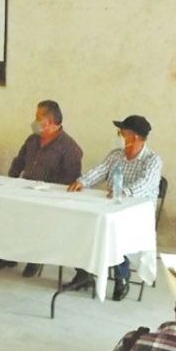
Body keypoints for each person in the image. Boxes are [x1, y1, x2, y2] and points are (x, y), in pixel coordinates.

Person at [66, 115, 162, 300]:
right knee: (85, 223)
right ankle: (83, 273)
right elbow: (101, 170)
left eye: (122, 133)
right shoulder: (116, 155)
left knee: (116, 231)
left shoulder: (152, 160)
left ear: (134, 136)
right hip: (111, 207)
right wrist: (82, 181)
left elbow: (145, 182)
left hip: (136, 214)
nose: (120, 136)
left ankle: (122, 277)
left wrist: (124, 191)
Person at [0, 100, 83, 277]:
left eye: (38, 118)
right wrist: (10, 181)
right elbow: (19, 161)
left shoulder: (69, 147)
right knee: (3, 212)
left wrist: (48, 190)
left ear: (50, 122)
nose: (34, 122)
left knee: (37, 220)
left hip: (49, 198)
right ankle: (5, 255)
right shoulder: (32, 139)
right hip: (23, 190)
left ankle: (35, 258)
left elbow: (71, 178)